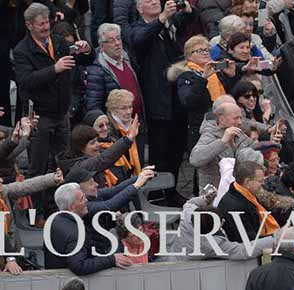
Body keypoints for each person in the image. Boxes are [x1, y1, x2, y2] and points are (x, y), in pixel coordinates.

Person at [13, 3, 94, 217]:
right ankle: (38, 215)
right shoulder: (22, 50)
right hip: (39, 116)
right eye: (41, 24)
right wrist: (54, 69)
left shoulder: (59, 42)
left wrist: (86, 49)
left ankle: (60, 210)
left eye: (47, 22)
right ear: (29, 25)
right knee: (38, 167)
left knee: (62, 165)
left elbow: (86, 60)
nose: (46, 27)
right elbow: (25, 81)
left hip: (61, 114)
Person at [128, 0, 197, 207]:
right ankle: (156, 195)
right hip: (157, 101)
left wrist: (188, 9)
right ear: (139, 8)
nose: (154, 2)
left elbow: (187, 18)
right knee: (159, 153)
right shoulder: (136, 29)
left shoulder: (168, 25)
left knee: (177, 149)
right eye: (148, 0)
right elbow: (140, 40)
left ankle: (171, 191)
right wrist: (162, 18)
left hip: (177, 99)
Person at [169, 187, 282, 261]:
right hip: (184, 268)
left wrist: (206, 199)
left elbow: (190, 203)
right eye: (220, 222)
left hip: (174, 255)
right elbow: (243, 251)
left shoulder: (188, 214)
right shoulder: (213, 244)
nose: (223, 222)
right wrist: (274, 239)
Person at [44, 182, 132, 275]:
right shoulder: (76, 232)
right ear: (71, 207)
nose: (86, 200)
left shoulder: (55, 219)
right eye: (82, 199)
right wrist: (112, 260)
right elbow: (79, 266)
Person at [169, 34, 238, 151]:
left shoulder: (215, 72)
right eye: (200, 51)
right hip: (200, 128)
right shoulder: (186, 75)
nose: (205, 53)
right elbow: (187, 101)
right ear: (189, 56)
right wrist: (203, 78)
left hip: (222, 123)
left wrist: (231, 76)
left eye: (207, 50)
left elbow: (228, 96)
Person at [85, 23, 144, 124]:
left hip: (138, 121)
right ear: (102, 46)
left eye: (118, 38)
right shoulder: (96, 70)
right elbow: (93, 104)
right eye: (111, 40)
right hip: (116, 127)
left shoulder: (128, 57)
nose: (117, 43)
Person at [190, 101, 255, 192]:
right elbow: (194, 159)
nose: (240, 122)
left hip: (237, 190)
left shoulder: (238, 134)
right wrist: (222, 142)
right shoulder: (209, 135)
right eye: (236, 118)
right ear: (222, 119)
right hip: (215, 194)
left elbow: (255, 151)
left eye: (241, 118)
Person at [218, 160, 281, 243]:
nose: (263, 183)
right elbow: (249, 241)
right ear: (247, 182)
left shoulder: (246, 194)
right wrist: (278, 237)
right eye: (260, 181)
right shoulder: (235, 207)